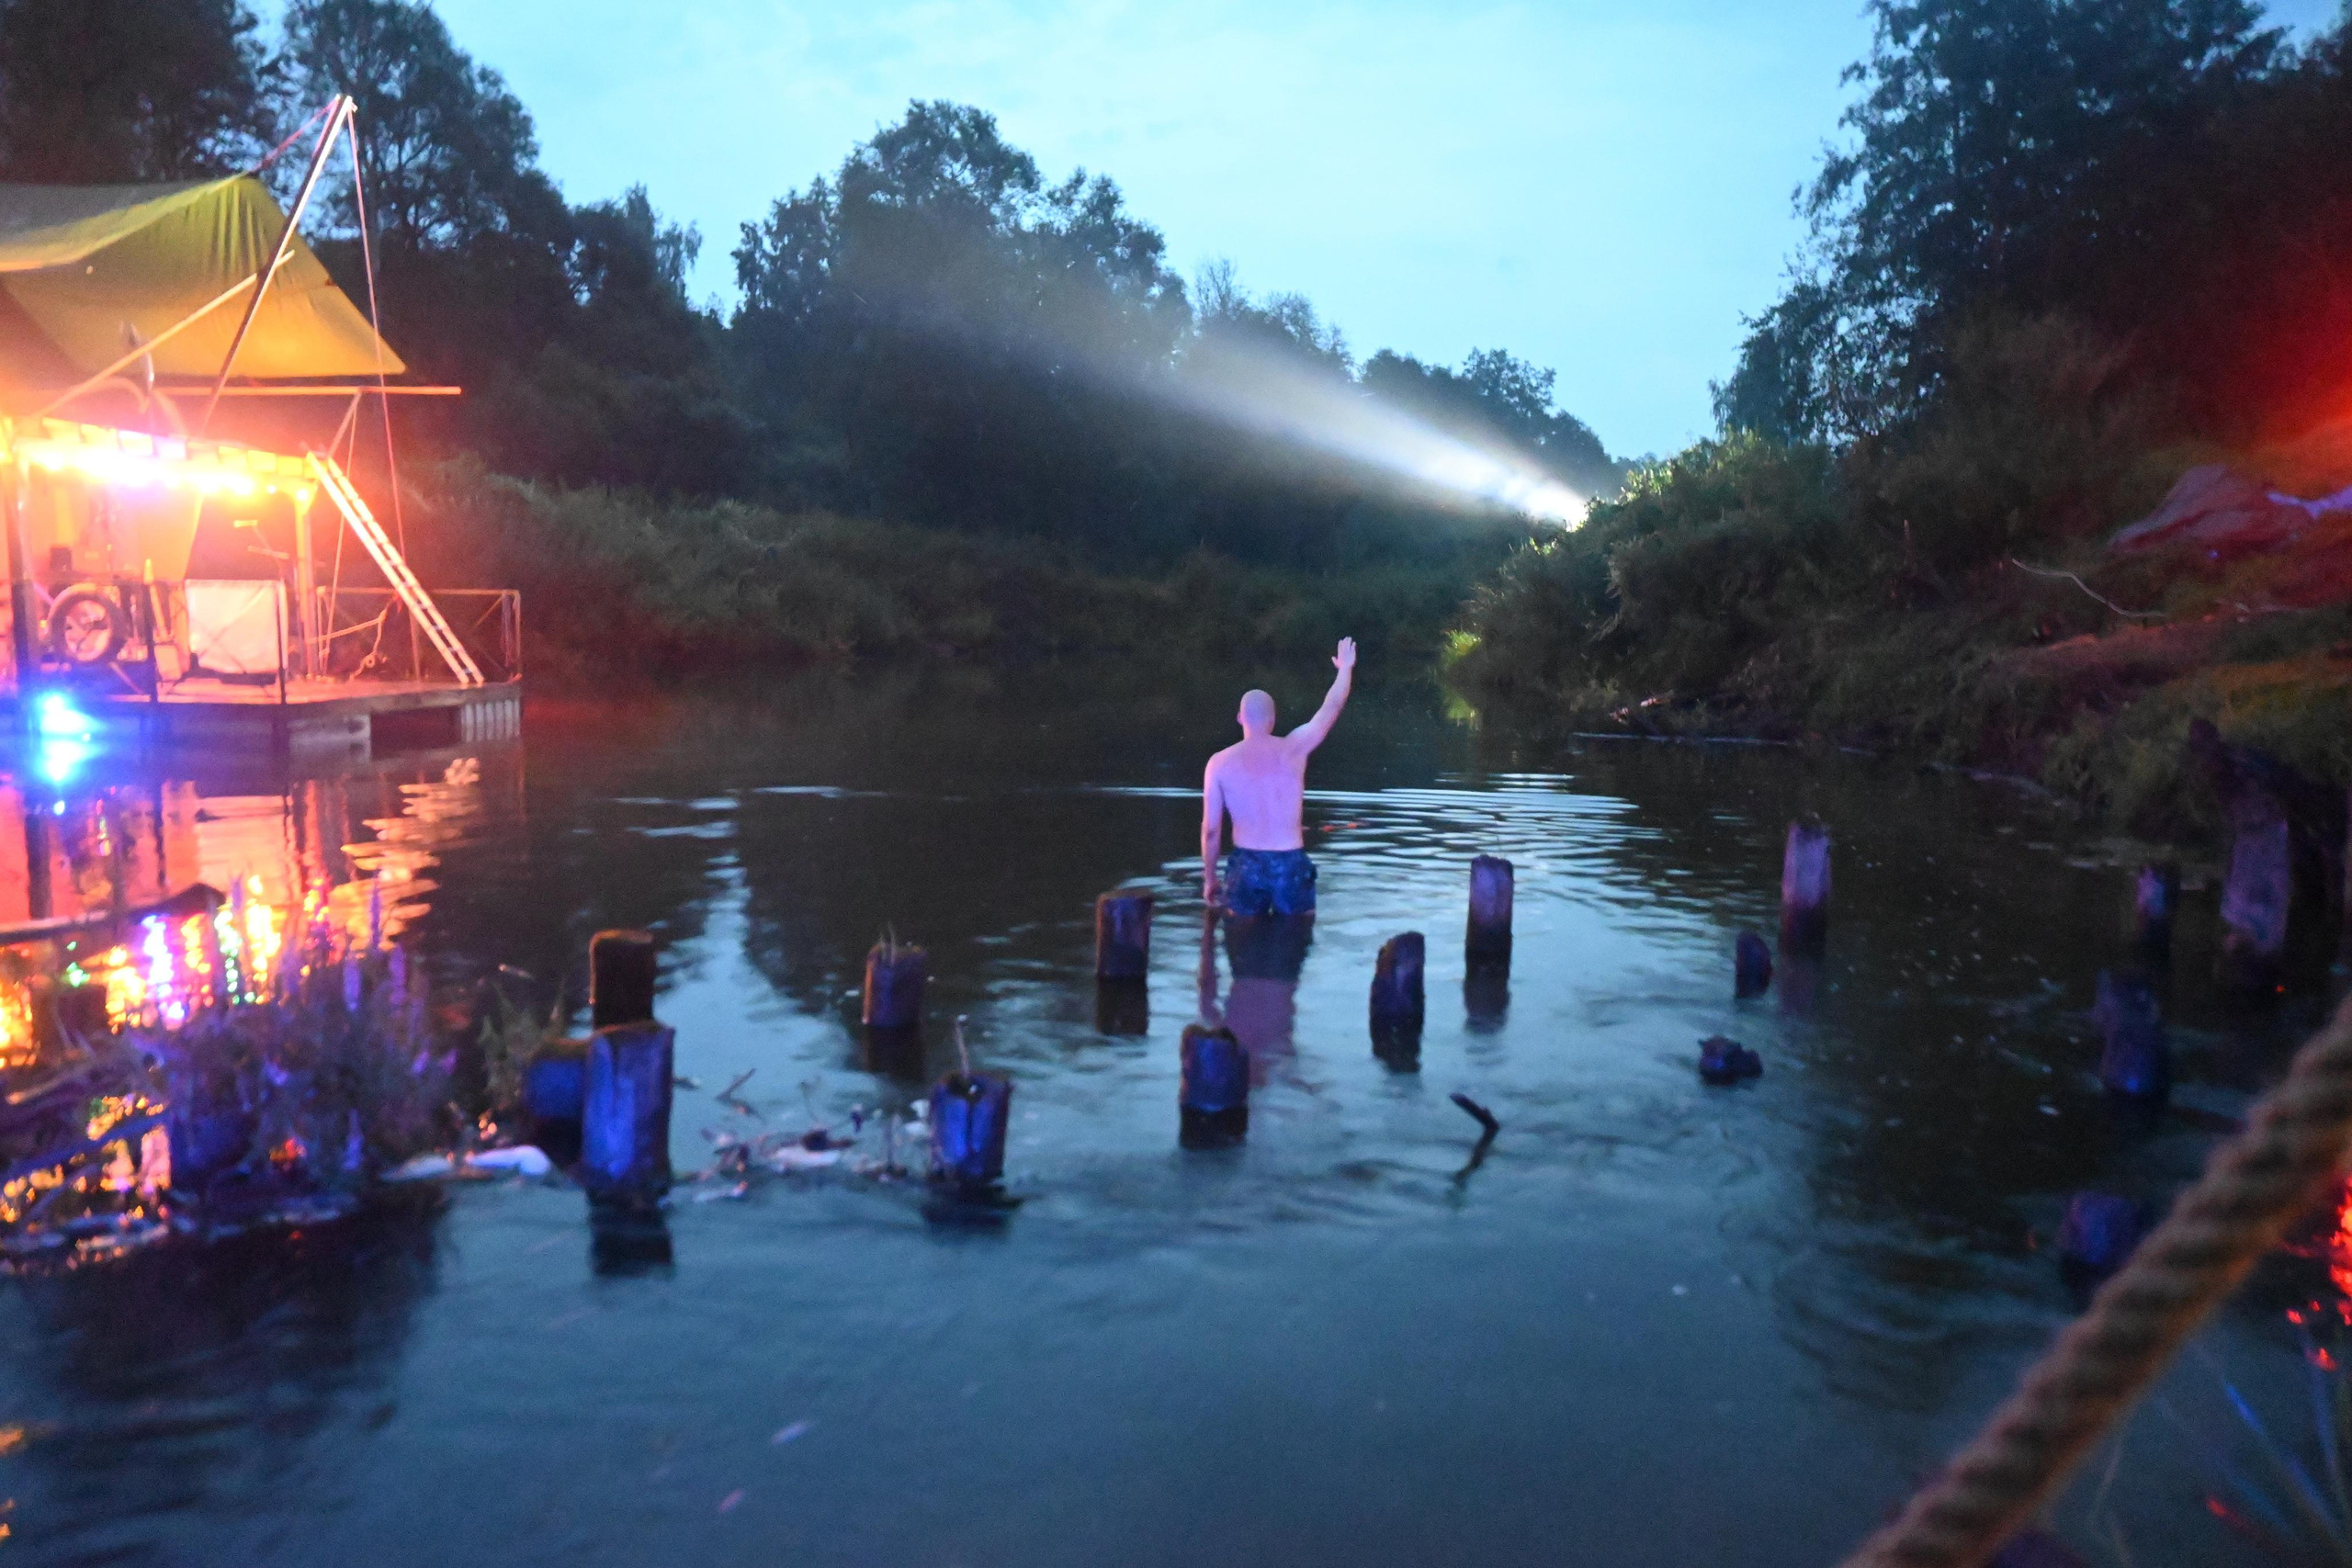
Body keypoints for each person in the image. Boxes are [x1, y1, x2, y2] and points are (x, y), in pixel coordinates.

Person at [1202, 637, 1355, 917]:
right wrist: (1345, 669)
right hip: (1291, 862)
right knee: (1296, 939)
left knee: (1243, 944)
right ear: (1272, 720)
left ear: (1240, 718)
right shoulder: (1293, 748)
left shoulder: (1218, 763)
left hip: (1247, 865)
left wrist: (1210, 878)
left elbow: (1211, 831)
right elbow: (1330, 708)